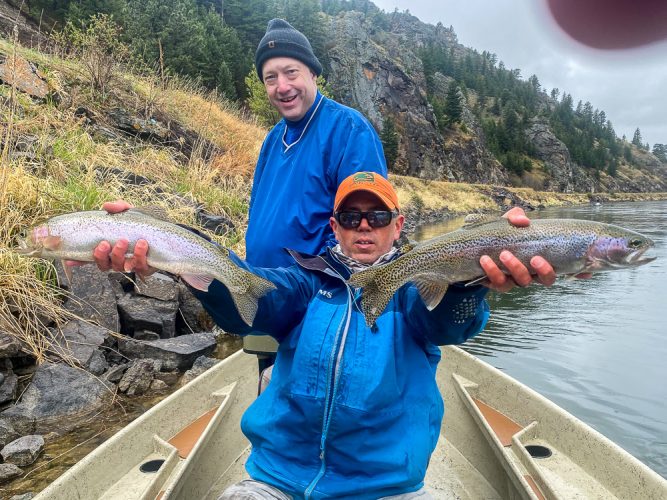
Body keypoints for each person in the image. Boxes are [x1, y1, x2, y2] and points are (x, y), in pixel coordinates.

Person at [79, 173, 561, 499]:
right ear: (335, 226)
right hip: (277, 478)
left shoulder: (416, 288)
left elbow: (446, 324)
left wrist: (469, 282)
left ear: (399, 225)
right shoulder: (304, 283)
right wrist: (169, 240)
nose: (364, 227)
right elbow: (250, 308)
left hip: (386, 485)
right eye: (351, 218)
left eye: (377, 217)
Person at [243, 18, 389, 369]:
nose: (282, 86)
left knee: (315, 405)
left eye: (290, 72)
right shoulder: (271, 140)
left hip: (320, 306)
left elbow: (366, 231)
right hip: (265, 298)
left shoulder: (348, 129)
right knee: (275, 407)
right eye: (270, 77)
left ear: (313, 73)